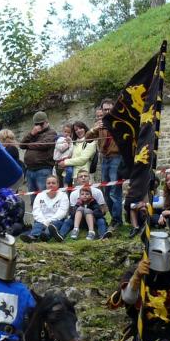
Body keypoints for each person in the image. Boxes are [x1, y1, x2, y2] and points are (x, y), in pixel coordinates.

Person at [92, 100, 125, 231]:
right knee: (106, 191)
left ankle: (117, 220)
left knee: (114, 192)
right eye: (105, 109)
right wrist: (95, 128)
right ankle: (114, 219)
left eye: (109, 109)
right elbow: (88, 137)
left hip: (116, 157)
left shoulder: (119, 122)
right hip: (104, 158)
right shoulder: (100, 124)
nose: (107, 112)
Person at [21, 111, 58, 194]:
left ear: (46, 122)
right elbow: (22, 145)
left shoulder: (51, 132)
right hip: (30, 170)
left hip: (43, 169)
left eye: (41, 124)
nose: (38, 126)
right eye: (36, 124)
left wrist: (29, 145)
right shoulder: (33, 134)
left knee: (45, 196)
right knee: (33, 197)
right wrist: (31, 133)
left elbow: (44, 145)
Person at [23, 175, 69, 241]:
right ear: (46, 184)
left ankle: (45, 236)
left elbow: (62, 212)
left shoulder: (63, 195)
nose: (51, 185)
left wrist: (49, 221)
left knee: (53, 226)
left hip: (56, 220)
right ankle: (33, 237)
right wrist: (44, 221)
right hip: (42, 220)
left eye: (53, 183)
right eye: (48, 183)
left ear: (58, 184)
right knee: (38, 225)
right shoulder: (40, 195)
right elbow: (36, 211)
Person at [65, 170, 108, 239]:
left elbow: (103, 209)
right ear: (77, 180)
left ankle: (103, 236)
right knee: (68, 221)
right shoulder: (73, 194)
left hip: (93, 218)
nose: (83, 178)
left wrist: (93, 213)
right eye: (81, 176)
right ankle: (61, 235)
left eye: (85, 176)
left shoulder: (97, 191)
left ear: (89, 178)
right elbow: (72, 211)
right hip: (79, 219)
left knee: (101, 220)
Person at [63, 121, 95, 186]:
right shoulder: (73, 142)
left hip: (82, 176)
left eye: (80, 128)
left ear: (85, 128)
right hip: (67, 175)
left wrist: (65, 162)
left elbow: (83, 159)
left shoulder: (91, 141)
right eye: (76, 130)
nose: (78, 131)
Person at [52, 120, 74, 185]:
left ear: (71, 133)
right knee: (58, 180)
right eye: (65, 132)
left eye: (69, 132)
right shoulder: (59, 139)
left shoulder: (71, 141)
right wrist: (67, 143)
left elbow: (71, 152)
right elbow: (60, 148)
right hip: (58, 162)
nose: (66, 133)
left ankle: (67, 184)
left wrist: (70, 143)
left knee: (69, 172)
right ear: (62, 131)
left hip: (66, 162)